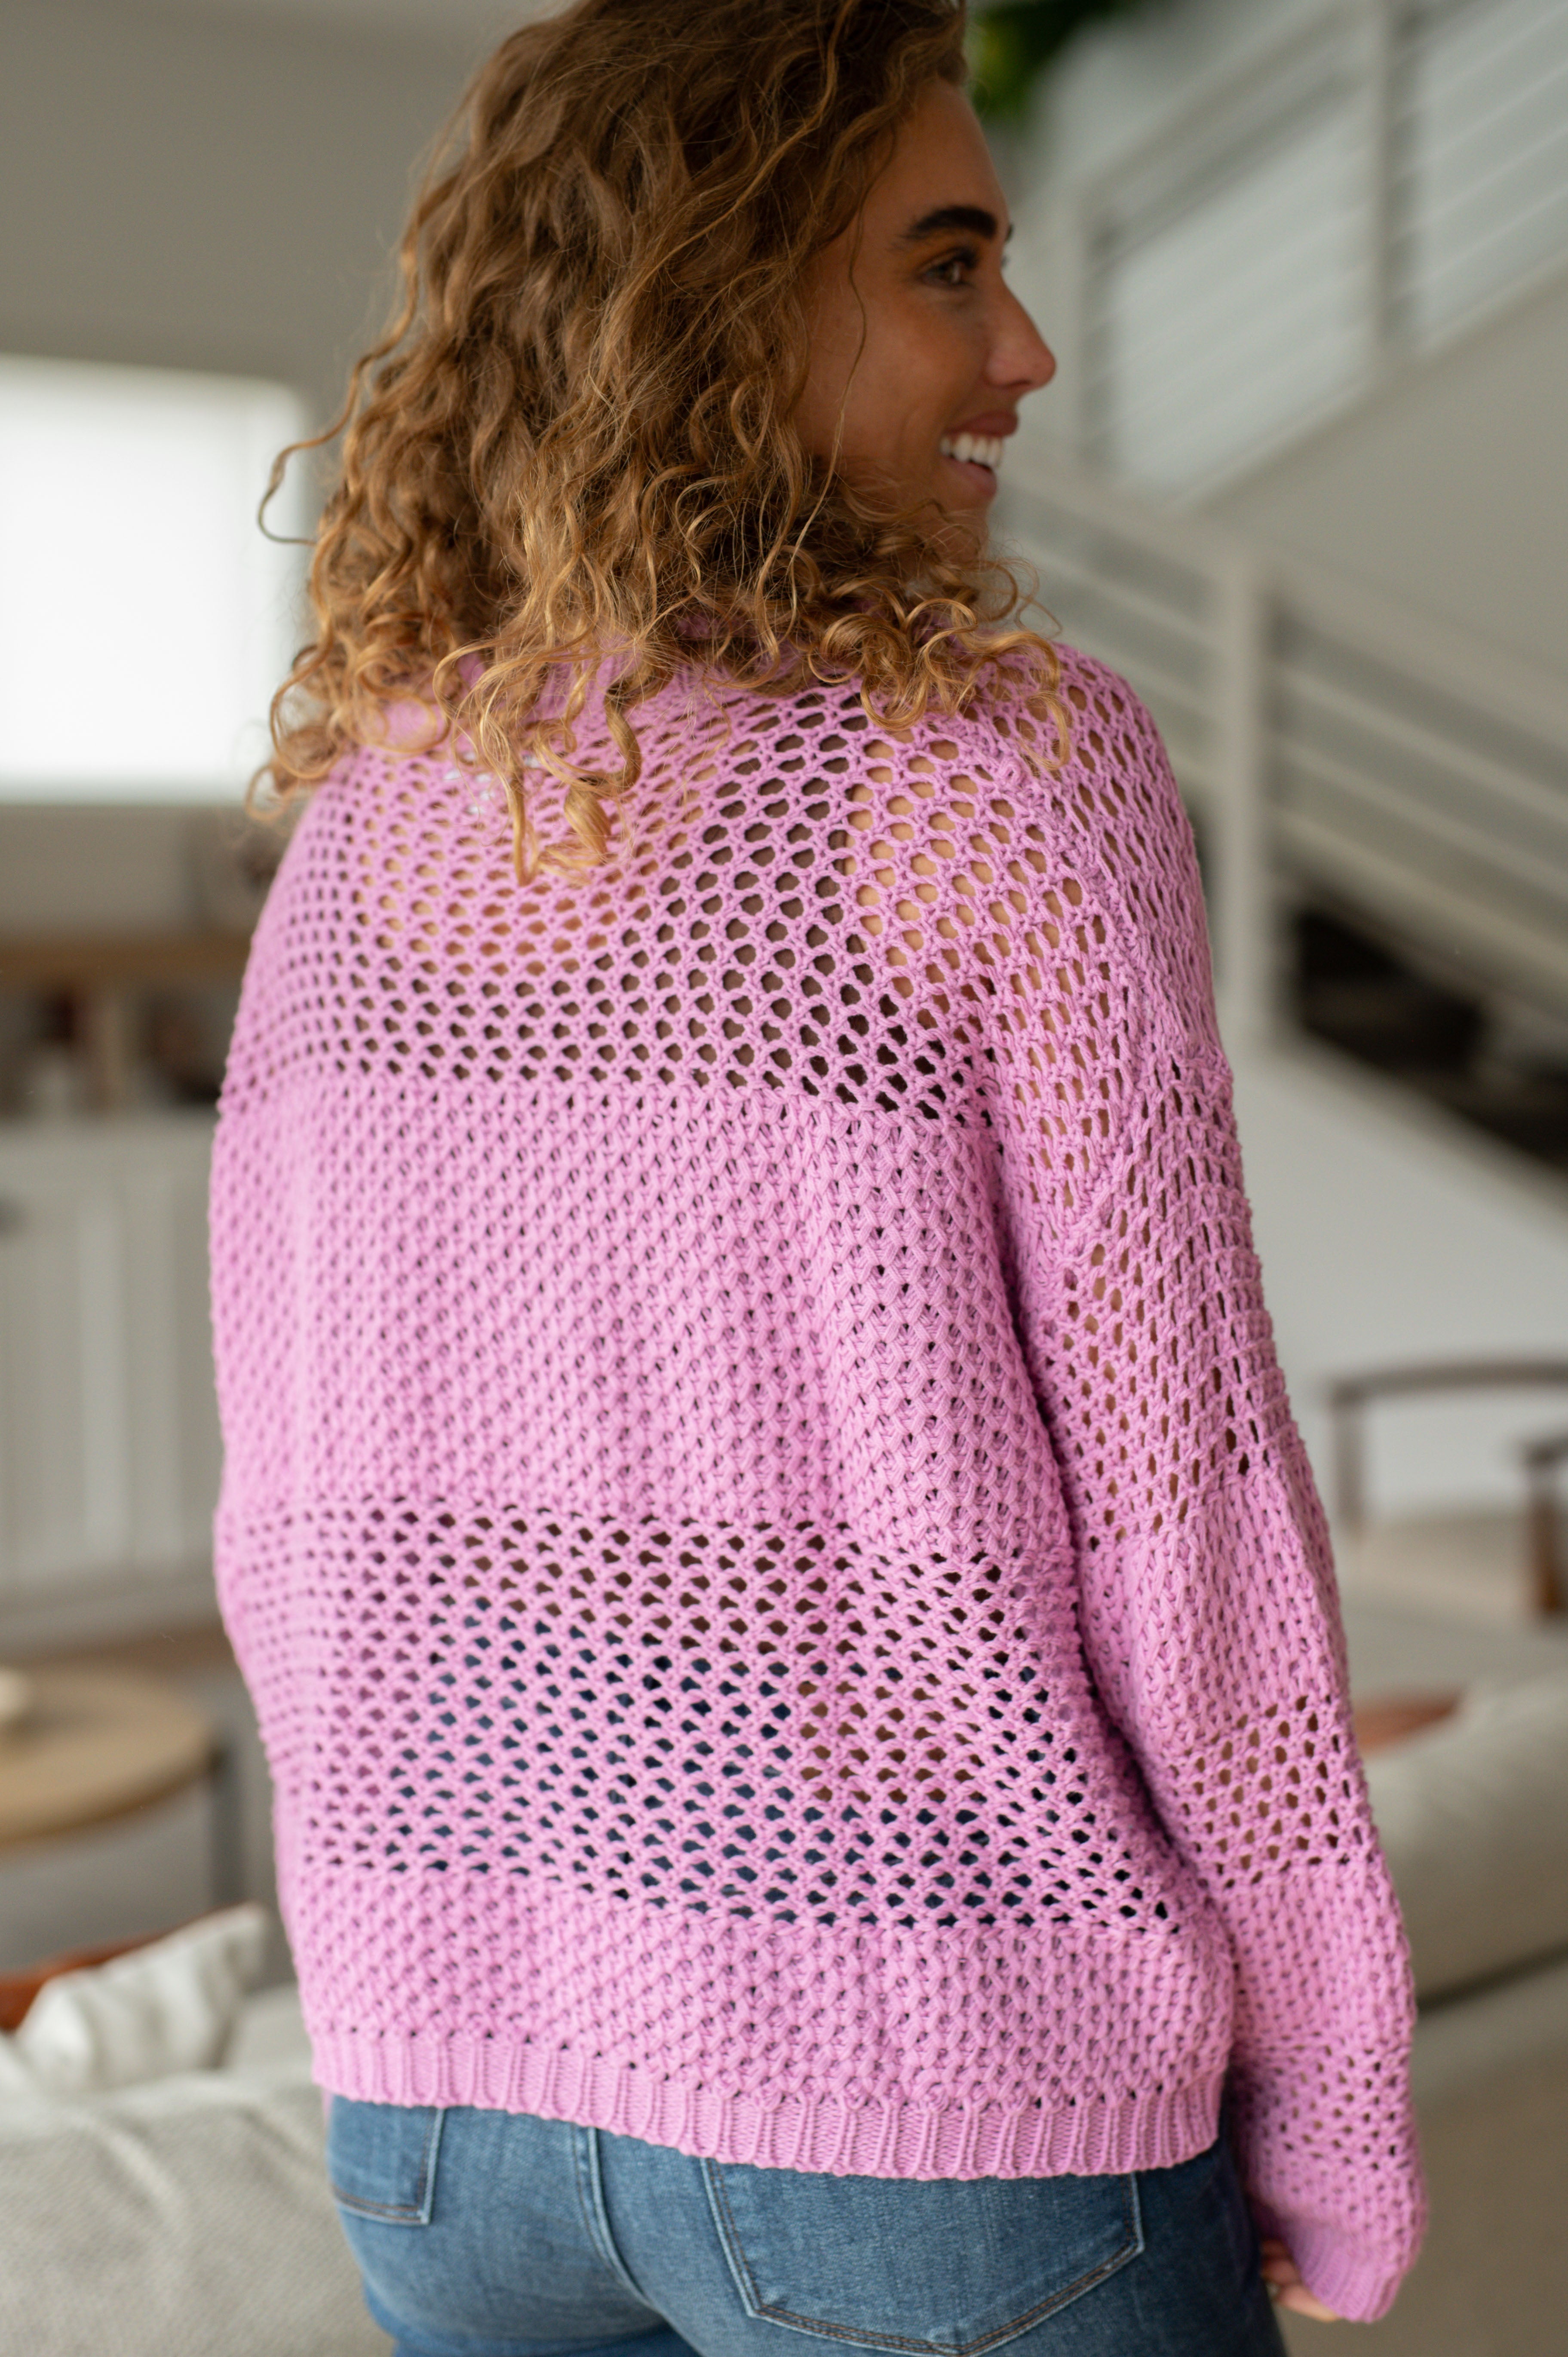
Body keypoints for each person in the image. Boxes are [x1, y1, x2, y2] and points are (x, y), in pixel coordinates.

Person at [209, 3, 1425, 2351]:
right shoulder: (995, 766)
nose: (1029, 348)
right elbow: (1190, 1516)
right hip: (941, 2121)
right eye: (950, 266)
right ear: (721, 291)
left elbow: (293, 1519)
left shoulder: (373, 809)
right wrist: (1335, 2103)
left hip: (441, 2122)